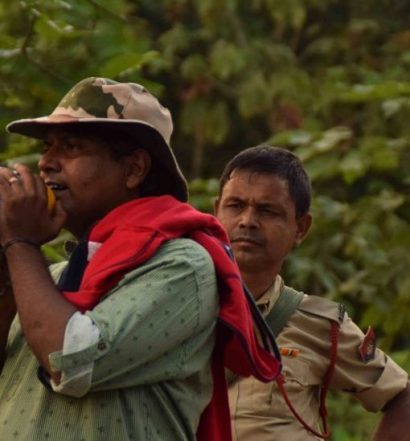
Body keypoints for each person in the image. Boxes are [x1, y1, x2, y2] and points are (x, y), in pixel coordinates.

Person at [0, 78, 281, 441]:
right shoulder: (49, 277)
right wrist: (8, 261)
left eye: (70, 147)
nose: (46, 164)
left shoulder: (182, 267)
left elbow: (71, 359)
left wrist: (20, 242)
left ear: (134, 169)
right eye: (47, 148)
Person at [214, 144, 410, 441]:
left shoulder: (319, 324)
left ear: (300, 228)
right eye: (235, 205)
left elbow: (401, 397)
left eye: (268, 210)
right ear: (214, 213)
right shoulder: (173, 306)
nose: (247, 221)